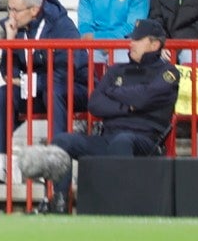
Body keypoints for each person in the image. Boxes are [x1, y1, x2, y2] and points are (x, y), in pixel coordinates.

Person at [21, 19, 177, 215]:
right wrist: (129, 107)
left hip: (146, 141)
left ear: (154, 44)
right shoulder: (116, 70)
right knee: (62, 141)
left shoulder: (167, 73)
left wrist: (116, 93)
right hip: (109, 137)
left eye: (137, 40)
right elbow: (95, 104)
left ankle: (121, 207)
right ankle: (59, 203)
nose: (131, 44)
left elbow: (144, 98)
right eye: (131, 39)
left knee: (123, 141)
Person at [0, 0, 88, 181]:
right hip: (38, 89)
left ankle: (56, 159)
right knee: (4, 93)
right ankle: (2, 162)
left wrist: (27, 81)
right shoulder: (14, 28)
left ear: (33, 10)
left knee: (53, 90)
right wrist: (9, 41)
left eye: (15, 10)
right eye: (8, 9)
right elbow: (8, 74)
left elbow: (67, 70)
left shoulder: (61, 26)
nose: (10, 15)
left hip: (75, 88)